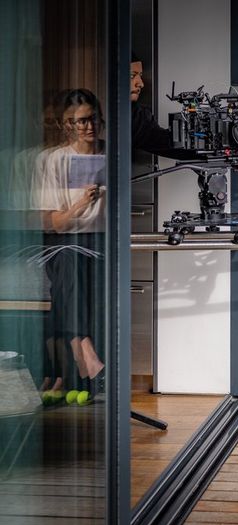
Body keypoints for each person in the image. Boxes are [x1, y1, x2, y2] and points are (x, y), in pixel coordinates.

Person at [39, 89, 107, 395]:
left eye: (92, 118)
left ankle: (71, 361)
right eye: (81, 122)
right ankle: (86, 351)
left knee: (76, 276)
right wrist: (81, 203)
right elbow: (54, 223)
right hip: (63, 237)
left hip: (101, 238)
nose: (88, 127)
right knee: (68, 261)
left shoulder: (111, 155)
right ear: (67, 125)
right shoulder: (53, 161)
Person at [130, 55, 172, 153]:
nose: (141, 84)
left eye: (140, 75)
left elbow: (162, 141)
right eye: (132, 75)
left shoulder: (142, 116)